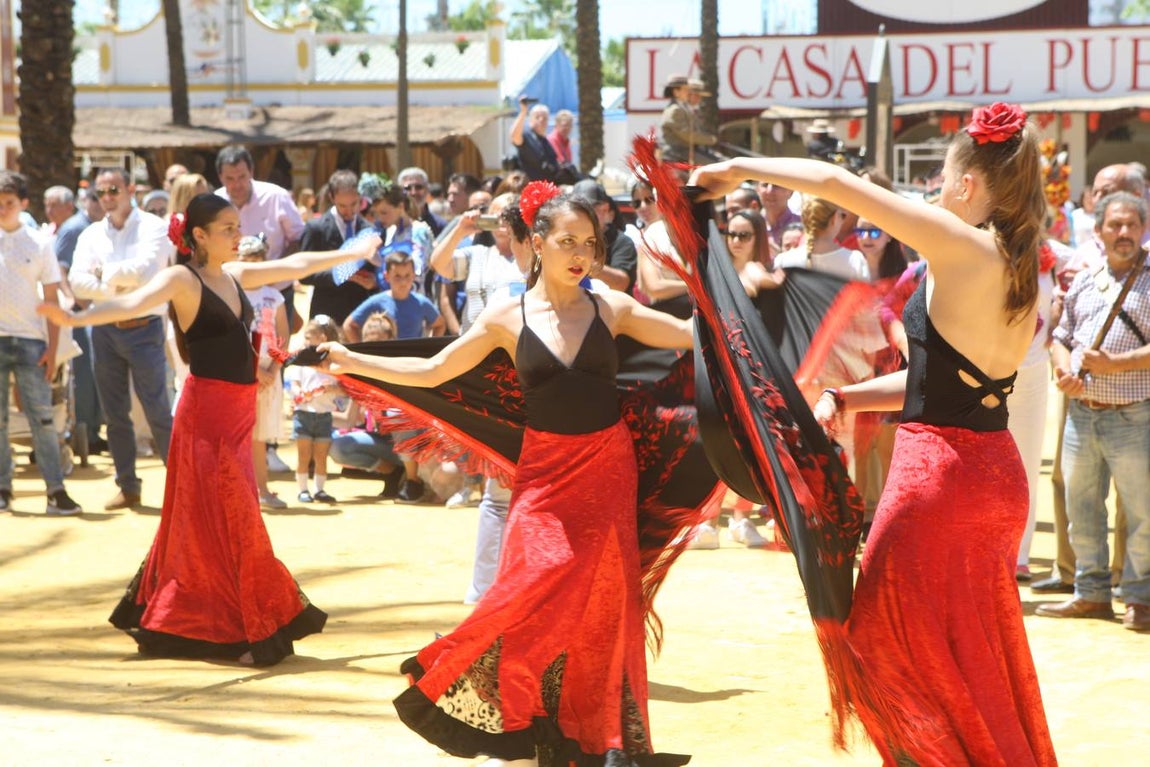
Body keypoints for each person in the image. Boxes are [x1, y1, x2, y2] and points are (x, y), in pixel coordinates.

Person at [690, 102, 1058, 765]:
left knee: (884, 649)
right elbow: (946, 381)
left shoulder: (959, 244)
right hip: (995, 480)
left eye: (942, 179)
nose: (936, 191)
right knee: (973, 663)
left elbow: (838, 185)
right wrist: (847, 395)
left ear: (967, 184)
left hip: (937, 482)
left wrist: (739, 165)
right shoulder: (1018, 260)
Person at [316, 185, 694, 765]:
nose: (581, 255)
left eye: (589, 244)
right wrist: (351, 359)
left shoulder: (611, 308)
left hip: (606, 470)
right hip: (545, 476)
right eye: (567, 242)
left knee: (600, 604)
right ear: (537, 243)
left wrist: (730, 299)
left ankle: (587, 735)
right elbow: (435, 369)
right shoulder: (504, 317)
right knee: (528, 586)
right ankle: (515, 713)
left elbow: (691, 335)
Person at [38, 193, 381, 666]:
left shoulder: (234, 275)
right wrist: (76, 318)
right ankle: (243, 628)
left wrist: (352, 253)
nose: (239, 235)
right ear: (199, 235)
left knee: (223, 522)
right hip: (206, 420)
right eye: (228, 228)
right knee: (230, 523)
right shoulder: (183, 279)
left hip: (238, 416)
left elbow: (295, 264)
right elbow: (132, 302)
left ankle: (222, 624)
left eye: (238, 226)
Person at [1037, 192, 1150, 631]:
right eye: (1115, 225)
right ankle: (1091, 593)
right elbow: (1061, 337)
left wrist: (1114, 365)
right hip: (1082, 414)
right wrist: (1063, 370)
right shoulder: (1085, 280)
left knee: (1143, 513)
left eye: (1132, 225)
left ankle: (1139, 598)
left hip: (1134, 417)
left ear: (1143, 229)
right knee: (1082, 509)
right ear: (1098, 231)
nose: (1124, 233)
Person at [69, 167, 176, 510]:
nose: (107, 197)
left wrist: (102, 275)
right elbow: (77, 282)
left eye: (113, 189)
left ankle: (183, 489)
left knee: (158, 411)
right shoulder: (91, 234)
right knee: (114, 414)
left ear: (130, 188)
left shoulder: (154, 226)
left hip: (145, 327)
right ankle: (127, 486)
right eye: (100, 192)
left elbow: (147, 274)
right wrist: (118, 285)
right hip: (104, 329)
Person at [0, 171, 83, 515]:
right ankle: (2, 488)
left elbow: (51, 299)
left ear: (23, 203)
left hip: (32, 342)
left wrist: (53, 349)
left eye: (9, 202)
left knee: (43, 419)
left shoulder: (39, 243)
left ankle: (55, 490)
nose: (3, 209)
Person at [235, 234, 291, 510]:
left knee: (258, 436)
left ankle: (261, 489)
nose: (252, 265)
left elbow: (283, 335)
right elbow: (232, 335)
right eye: (246, 260)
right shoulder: (232, 293)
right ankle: (239, 490)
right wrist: (255, 369)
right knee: (238, 434)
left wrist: (274, 368)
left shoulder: (274, 296)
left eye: (257, 260)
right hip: (239, 370)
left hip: (269, 371)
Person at [298, 169, 376, 325]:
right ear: (331, 197)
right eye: (342, 206)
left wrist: (374, 282)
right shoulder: (316, 229)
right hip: (327, 313)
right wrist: (339, 274)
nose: (349, 211)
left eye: (354, 204)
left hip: (360, 313)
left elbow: (377, 269)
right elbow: (304, 274)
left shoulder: (369, 229)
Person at [285, 317, 346, 504]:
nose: (305, 342)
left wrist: (332, 388)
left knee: (321, 456)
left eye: (308, 337)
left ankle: (319, 490)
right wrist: (299, 393)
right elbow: (294, 383)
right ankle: (303, 490)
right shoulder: (302, 361)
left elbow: (344, 389)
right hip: (304, 414)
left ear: (322, 338)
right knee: (304, 455)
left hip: (324, 416)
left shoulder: (333, 364)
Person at [774, 197, 870, 281]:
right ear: (834, 218)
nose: (843, 221)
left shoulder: (782, 260)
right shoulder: (855, 261)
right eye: (842, 216)